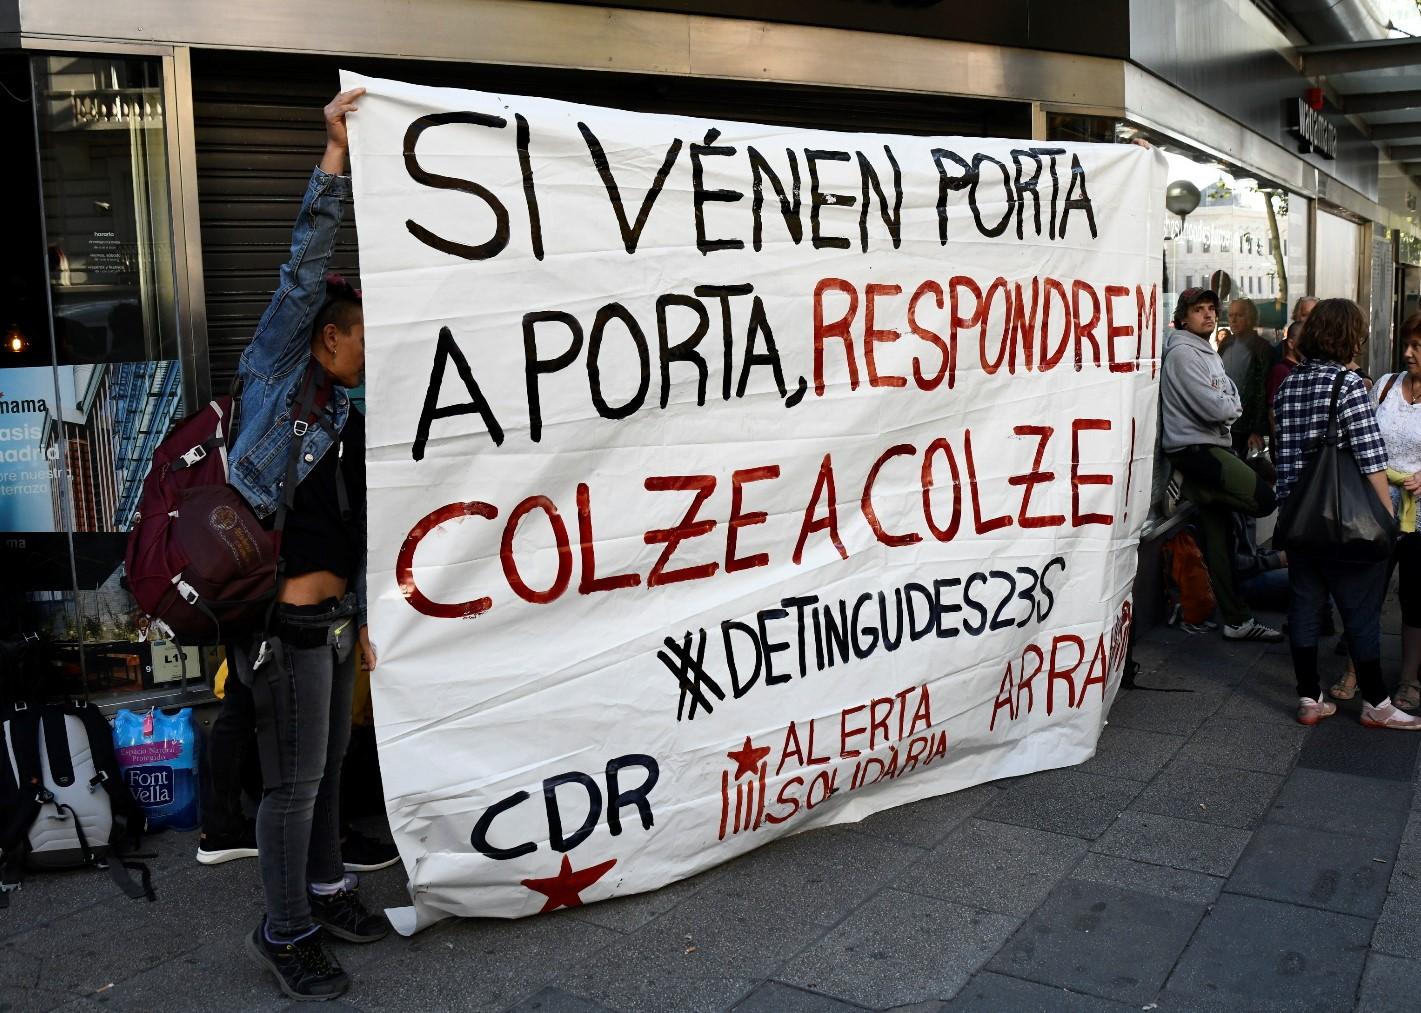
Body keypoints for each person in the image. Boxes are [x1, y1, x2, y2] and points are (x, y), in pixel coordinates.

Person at [226, 87, 391, 1001]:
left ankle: (326, 890)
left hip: (329, 618)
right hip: (281, 626)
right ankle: (283, 926)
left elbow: (355, 519)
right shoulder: (277, 368)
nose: (377, 348)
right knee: (291, 786)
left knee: (327, 770)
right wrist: (334, 155)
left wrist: (362, 612)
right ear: (327, 338)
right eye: (367, 336)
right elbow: (302, 268)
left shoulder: (346, 408)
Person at [1273, 298, 1421, 729]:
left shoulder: (1289, 384)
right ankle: (1377, 702)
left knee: (1304, 606)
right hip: (1343, 521)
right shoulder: (1348, 385)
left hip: (1298, 520)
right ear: (1348, 336)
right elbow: (1371, 458)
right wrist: (1386, 518)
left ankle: (1309, 697)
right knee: (1360, 610)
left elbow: (1285, 456)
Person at [1160, 286, 1282, 642]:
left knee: (1220, 544)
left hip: (1211, 447)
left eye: (1212, 308)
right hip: (1197, 451)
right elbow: (1220, 406)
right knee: (1265, 499)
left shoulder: (1207, 351)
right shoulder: (1183, 354)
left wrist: (1229, 403)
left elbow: (1230, 394)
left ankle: (1237, 620)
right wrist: (1230, 406)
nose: (1209, 315)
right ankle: (1196, 488)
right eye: (1199, 310)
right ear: (1183, 317)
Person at [1371, 312, 1421, 711]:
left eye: (1417, 347)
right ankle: (1358, 670)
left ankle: (1409, 678)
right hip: (1375, 510)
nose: (1407, 352)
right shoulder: (1386, 387)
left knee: (1416, 598)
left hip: (1420, 517)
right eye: (1407, 344)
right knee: (1366, 591)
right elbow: (1366, 440)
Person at [1218, 297, 1269, 458]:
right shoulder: (1226, 343)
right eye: (1230, 315)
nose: (1233, 319)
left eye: (1239, 315)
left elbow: (1263, 390)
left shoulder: (1261, 347)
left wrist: (1256, 429)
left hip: (1246, 428)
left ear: (1250, 318)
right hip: (1223, 422)